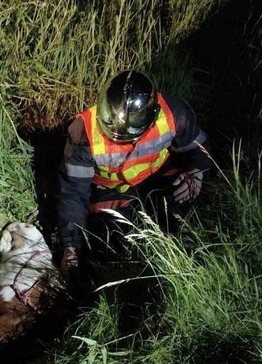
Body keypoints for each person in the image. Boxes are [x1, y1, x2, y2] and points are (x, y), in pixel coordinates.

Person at [56, 70, 211, 282]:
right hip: (109, 194)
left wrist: (197, 173)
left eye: (132, 121)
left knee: (186, 197)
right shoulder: (84, 132)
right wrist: (71, 249)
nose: (119, 127)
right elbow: (73, 192)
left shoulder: (173, 114)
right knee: (105, 238)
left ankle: (186, 259)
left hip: (157, 181)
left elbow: (198, 149)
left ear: (151, 113)